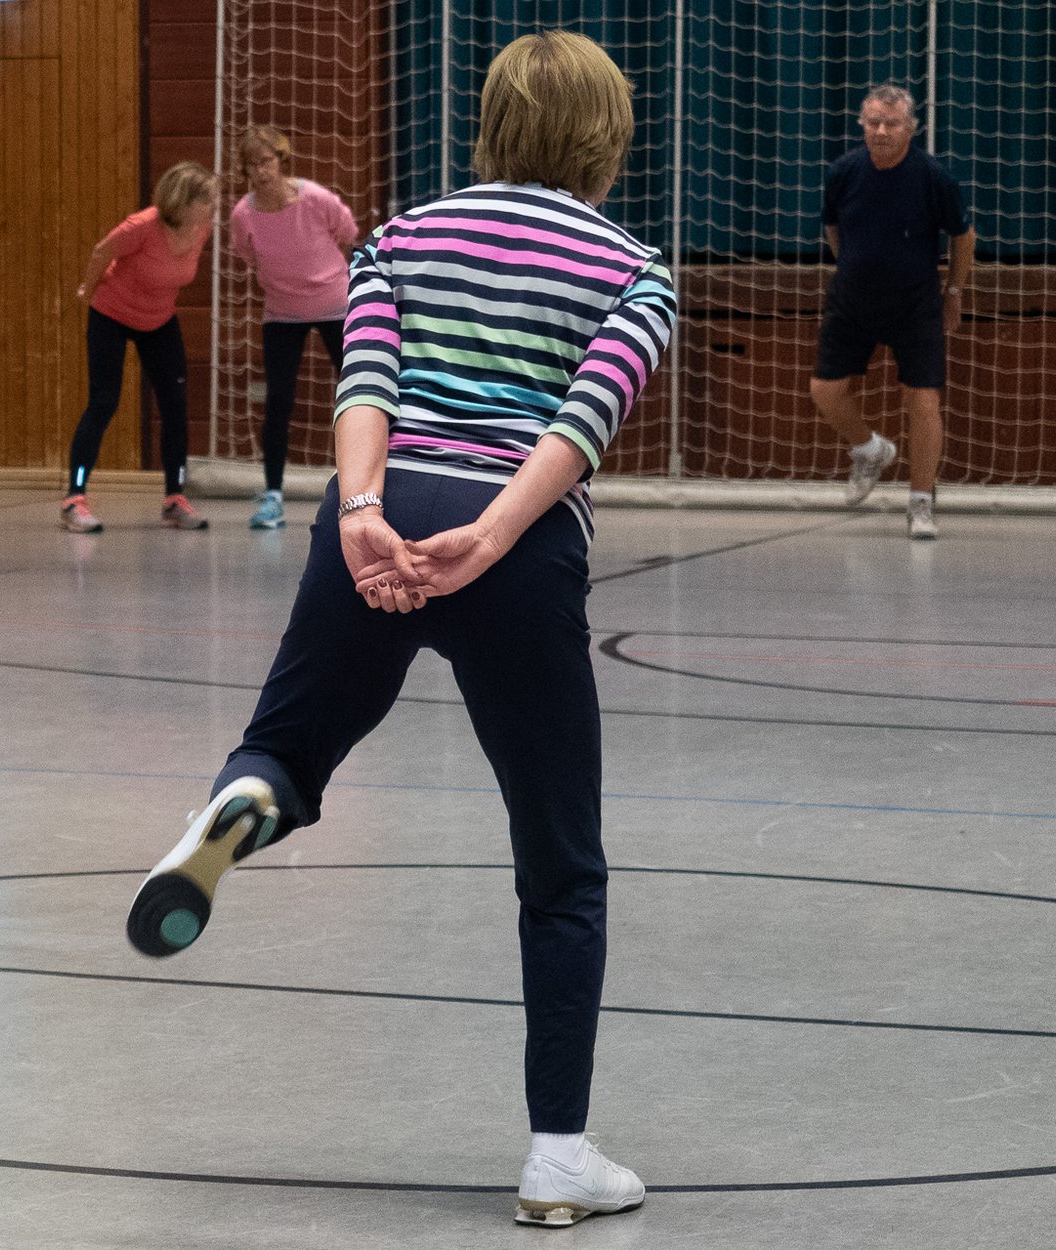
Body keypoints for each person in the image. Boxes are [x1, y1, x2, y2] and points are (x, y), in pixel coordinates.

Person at [124, 32, 674, 1228]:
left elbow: (362, 380)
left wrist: (364, 511)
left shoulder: (400, 235)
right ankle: (556, 1156)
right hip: (513, 543)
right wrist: (488, 535)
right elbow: (582, 419)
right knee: (559, 863)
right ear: (600, 138)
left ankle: (237, 805)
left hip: (373, 518)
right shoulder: (632, 267)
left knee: (289, 745)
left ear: (491, 123)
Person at [810, 83, 975, 540]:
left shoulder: (934, 178)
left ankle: (921, 503)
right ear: (862, 124)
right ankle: (868, 448)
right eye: (873, 122)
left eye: (892, 123)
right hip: (852, 299)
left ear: (911, 128)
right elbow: (833, 229)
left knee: (923, 401)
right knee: (825, 390)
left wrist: (955, 290)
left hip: (916, 303)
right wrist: (853, 270)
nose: (881, 131)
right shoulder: (843, 172)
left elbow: (963, 237)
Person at [59, 162, 217, 533]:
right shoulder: (143, 226)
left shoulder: (201, 229)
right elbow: (102, 252)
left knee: (175, 406)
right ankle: (74, 497)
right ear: (184, 200)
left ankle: (174, 498)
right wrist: (86, 289)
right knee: (104, 401)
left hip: (159, 320)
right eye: (208, 198)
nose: (215, 204)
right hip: (111, 314)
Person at [228, 126, 358, 530]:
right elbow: (247, 254)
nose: (261, 172)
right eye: (252, 165)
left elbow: (348, 232)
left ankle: (371, 487)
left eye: (266, 162)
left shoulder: (315, 200)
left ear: (281, 160)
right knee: (278, 402)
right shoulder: (243, 214)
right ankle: (272, 496)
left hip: (334, 305)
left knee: (356, 390)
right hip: (282, 313)